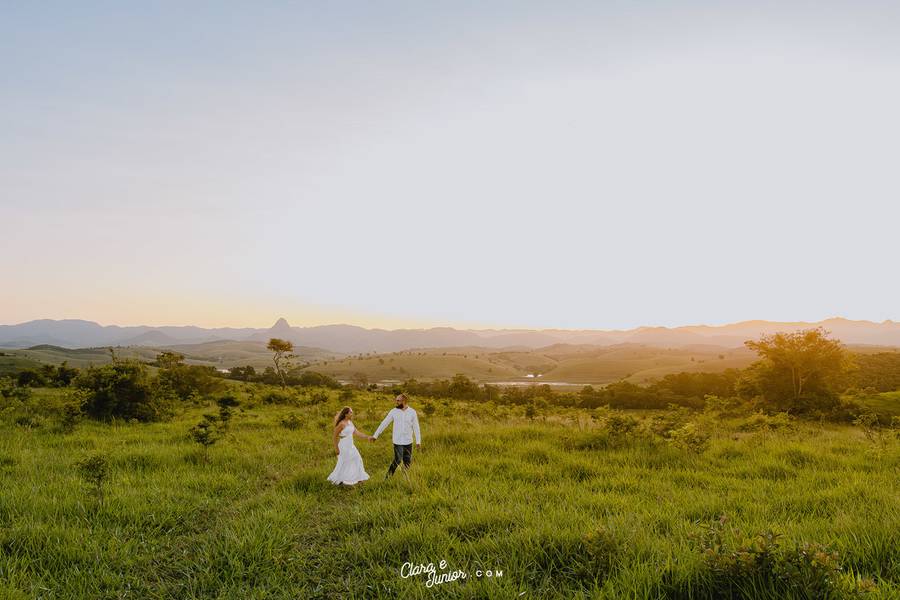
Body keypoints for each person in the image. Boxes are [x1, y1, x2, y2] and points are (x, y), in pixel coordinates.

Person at [372, 393, 421, 478]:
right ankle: (387, 477)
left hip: (408, 441)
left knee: (407, 461)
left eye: (398, 400)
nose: (396, 402)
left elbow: (416, 427)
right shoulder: (393, 411)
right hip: (397, 441)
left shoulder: (412, 412)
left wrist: (418, 441)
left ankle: (405, 478)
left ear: (404, 401)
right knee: (398, 460)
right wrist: (375, 435)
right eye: (396, 400)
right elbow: (384, 423)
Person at [327, 406, 373, 486]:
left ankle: (359, 478)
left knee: (357, 459)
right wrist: (336, 449)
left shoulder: (350, 422)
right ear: (346, 414)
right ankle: (339, 479)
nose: (352, 413)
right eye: (351, 412)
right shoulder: (341, 424)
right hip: (344, 445)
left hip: (351, 445)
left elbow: (357, 433)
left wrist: (367, 437)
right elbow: (334, 436)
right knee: (344, 462)